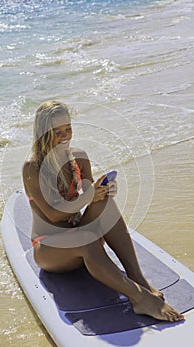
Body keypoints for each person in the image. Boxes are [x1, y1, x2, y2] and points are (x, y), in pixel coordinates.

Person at [22, 100, 184, 322]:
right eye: (57, 132)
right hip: (50, 248)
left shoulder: (78, 157)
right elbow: (52, 215)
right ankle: (139, 298)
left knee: (105, 202)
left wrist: (102, 191)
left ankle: (139, 279)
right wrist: (89, 197)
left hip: (80, 236)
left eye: (68, 129)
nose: (65, 136)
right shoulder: (32, 167)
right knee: (86, 239)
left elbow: (90, 196)